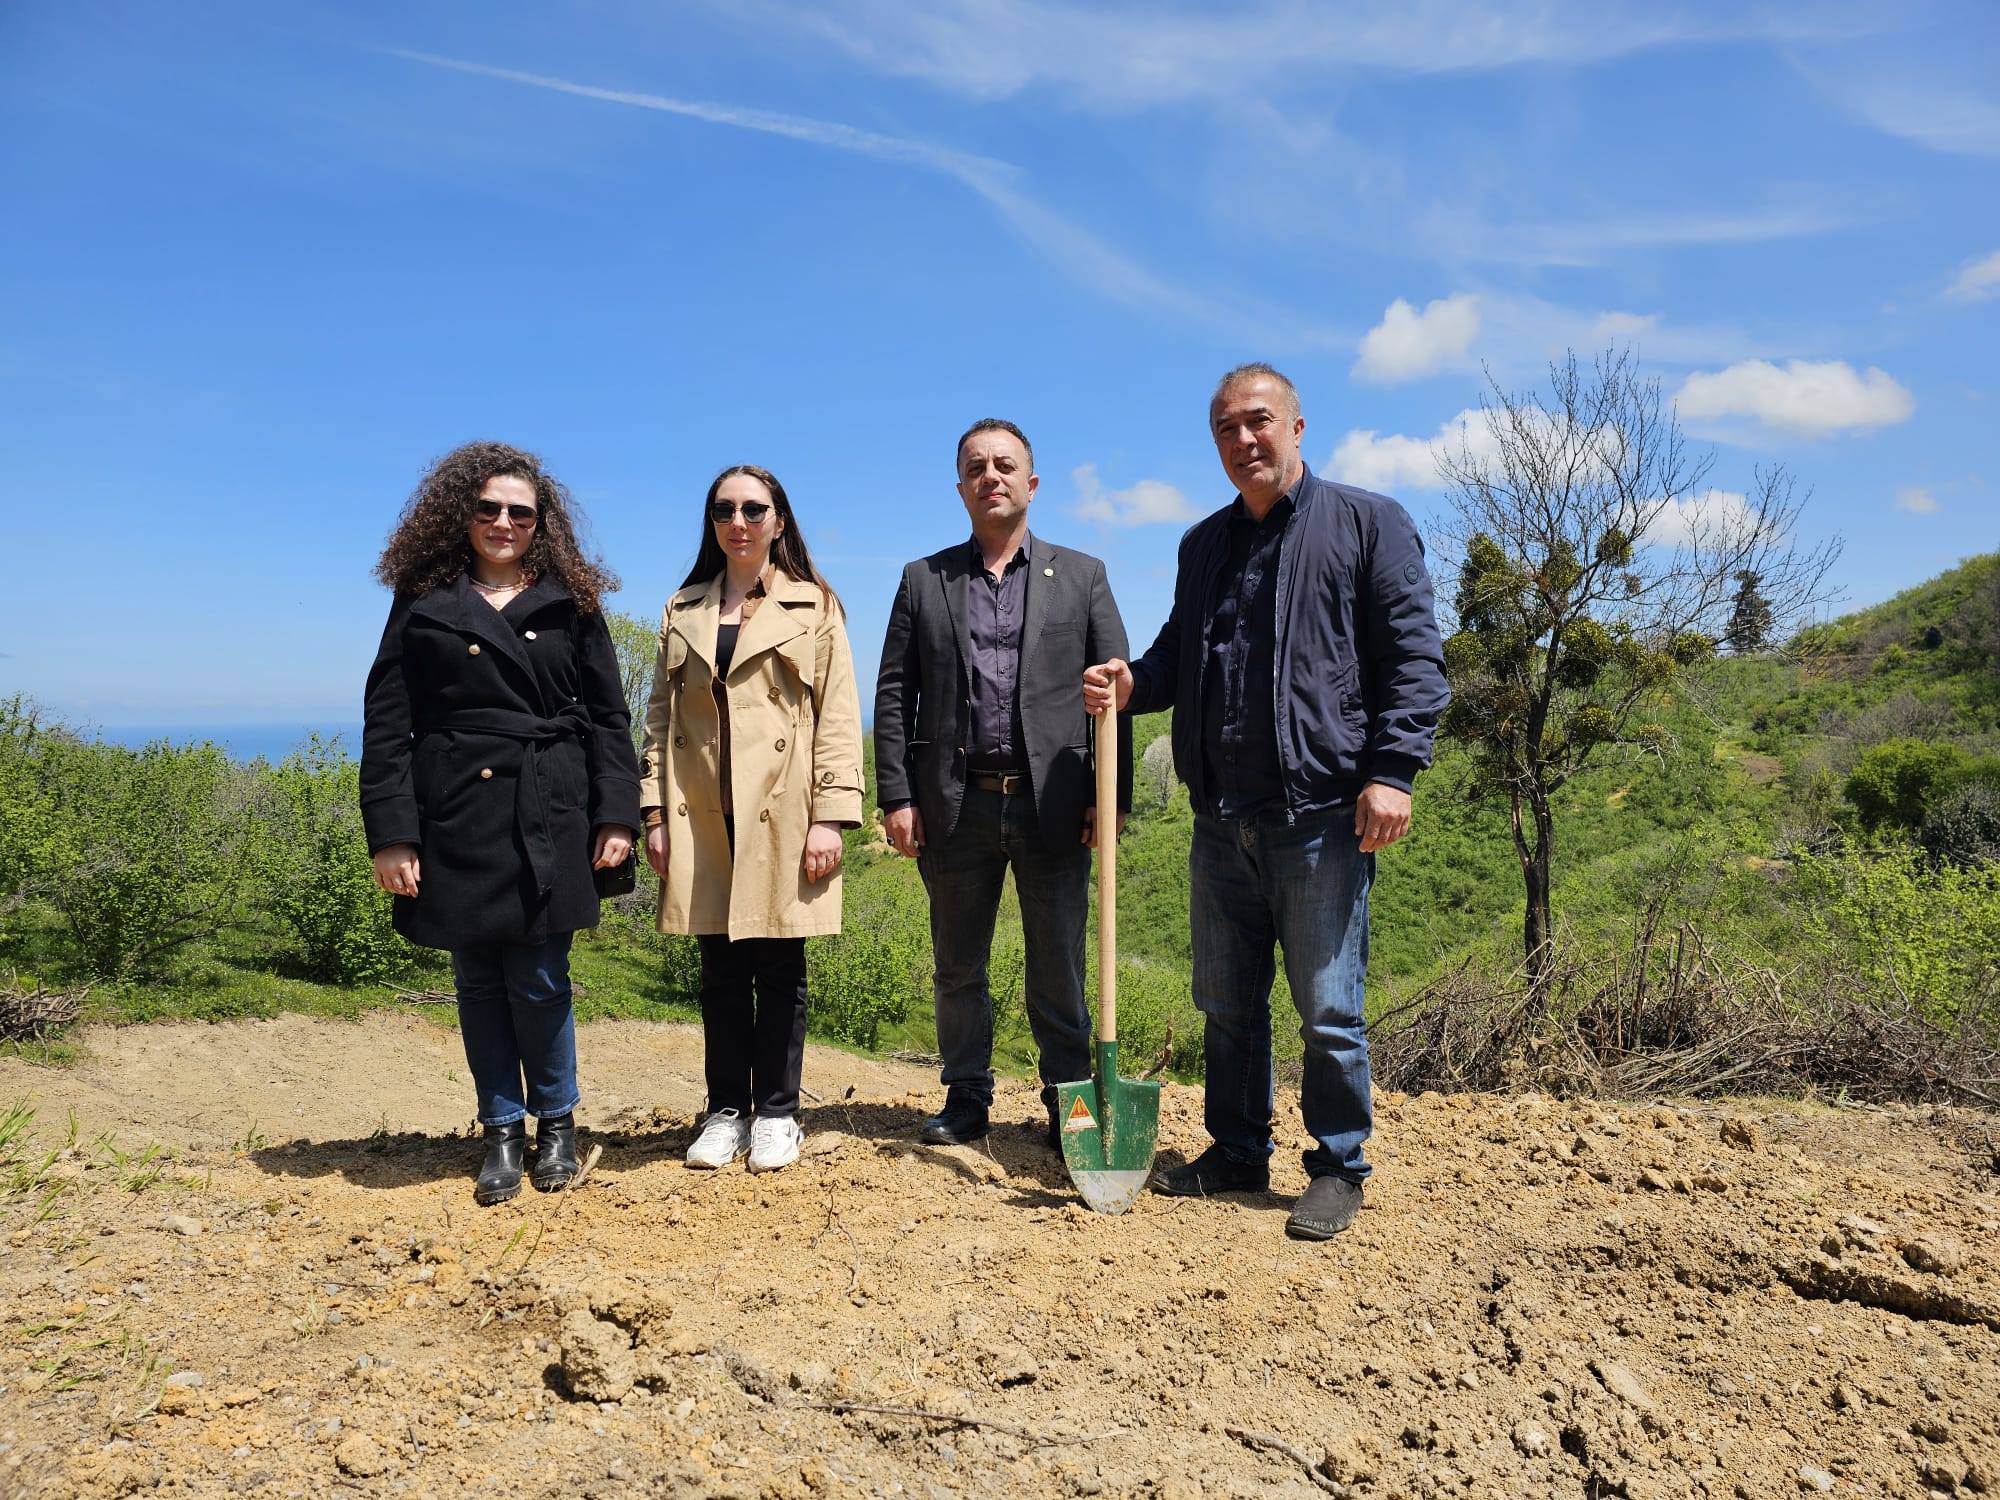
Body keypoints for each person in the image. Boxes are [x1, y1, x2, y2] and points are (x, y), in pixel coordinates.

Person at [1083, 365, 1448, 1240]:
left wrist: (1393, 771)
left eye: (1258, 421)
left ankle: (1337, 1166)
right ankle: (1239, 1149)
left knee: (1328, 1009)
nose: (1243, 440)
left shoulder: (1368, 523)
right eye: (1226, 428)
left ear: (1297, 426)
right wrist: (1134, 683)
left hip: (1321, 818)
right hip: (1221, 821)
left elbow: (1414, 658)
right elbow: (1181, 652)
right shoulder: (1203, 544)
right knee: (1227, 1001)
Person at [362, 441, 642, 1207]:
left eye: (521, 512)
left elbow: (610, 718)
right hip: (455, 811)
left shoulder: (571, 600)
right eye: (488, 508)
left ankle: (558, 1124)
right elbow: (387, 722)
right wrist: (393, 833)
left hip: (550, 805)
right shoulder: (423, 599)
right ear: (462, 514)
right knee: (478, 980)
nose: (503, 522)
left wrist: (616, 813)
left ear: (540, 524)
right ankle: (501, 1130)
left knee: (542, 977)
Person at [875, 418, 1132, 1150]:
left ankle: (1068, 1102)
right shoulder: (922, 579)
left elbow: (1117, 692)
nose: (991, 476)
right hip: (954, 806)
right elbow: (894, 694)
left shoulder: (1083, 575)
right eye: (976, 467)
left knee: (1059, 966)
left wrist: (1110, 799)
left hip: (1055, 804)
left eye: (1005, 464)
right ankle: (966, 1096)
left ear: (1032, 482)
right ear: (960, 487)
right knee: (959, 965)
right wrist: (896, 795)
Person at [638, 465, 863, 1174]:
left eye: (753, 509)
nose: (738, 522)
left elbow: (838, 717)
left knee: (780, 966)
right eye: (724, 509)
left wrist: (831, 817)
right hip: (701, 814)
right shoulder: (682, 607)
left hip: (785, 813)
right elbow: (659, 719)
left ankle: (779, 1113)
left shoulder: (815, 606)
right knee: (720, 972)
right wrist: (653, 811)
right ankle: (726, 1110)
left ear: (778, 520)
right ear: (711, 522)